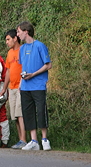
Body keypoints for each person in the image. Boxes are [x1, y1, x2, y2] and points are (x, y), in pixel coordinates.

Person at [16, 21, 52, 151]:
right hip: (25, 86)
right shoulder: (22, 49)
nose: (18, 34)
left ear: (26, 31)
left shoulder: (40, 46)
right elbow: (23, 66)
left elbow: (48, 65)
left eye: (19, 32)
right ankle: (34, 140)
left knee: (41, 111)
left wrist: (34, 74)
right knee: (28, 113)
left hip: (38, 85)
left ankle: (44, 139)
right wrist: (21, 81)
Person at [0, 29, 26, 149]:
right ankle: (21, 139)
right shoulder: (9, 53)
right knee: (14, 115)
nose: (7, 42)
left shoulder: (23, 50)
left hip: (21, 87)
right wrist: (4, 88)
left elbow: (26, 67)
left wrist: (22, 82)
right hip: (12, 88)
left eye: (8, 39)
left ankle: (24, 139)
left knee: (20, 114)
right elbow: (8, 71)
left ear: (15, 38)